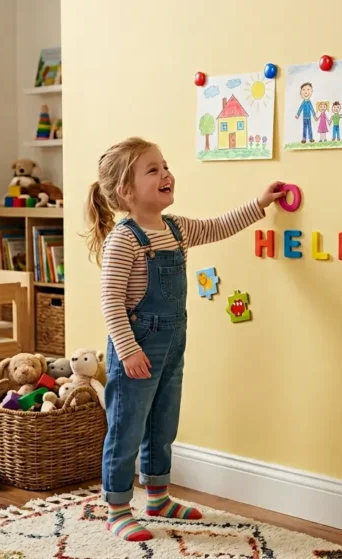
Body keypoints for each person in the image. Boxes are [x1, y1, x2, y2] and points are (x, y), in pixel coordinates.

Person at [84, 137, 285, 541]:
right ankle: (118, 506)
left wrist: (259, 204)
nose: (166, 174)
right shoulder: (124, 239)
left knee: (164, 421)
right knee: (127, 426)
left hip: (173, 345)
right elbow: (110, 303)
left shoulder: (176, 229)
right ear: (126, 191)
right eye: (153, 170)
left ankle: (158, 496)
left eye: (165, 166)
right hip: (136, 350)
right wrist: (128, 351)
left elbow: (218, 226)